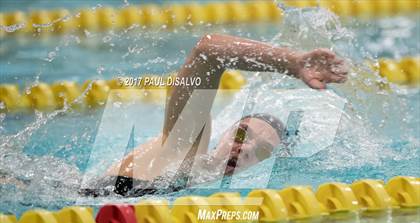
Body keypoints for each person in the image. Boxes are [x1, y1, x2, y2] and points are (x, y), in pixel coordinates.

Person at [81, 34, 348, 197]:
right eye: (243, 134)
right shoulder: (185, 149)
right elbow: (208, 52)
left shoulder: (213, 191)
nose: (245, 148)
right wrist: (291, 63)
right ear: (224, 134)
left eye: (263, 151)